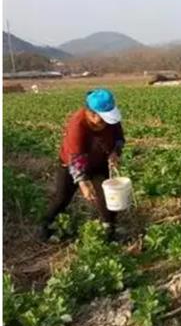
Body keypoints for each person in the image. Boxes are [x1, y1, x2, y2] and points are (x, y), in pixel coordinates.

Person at [38, 88, 125, 242]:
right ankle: (44, 227)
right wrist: (83, 184)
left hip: (99, 162)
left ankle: (109, 230)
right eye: (102, 119)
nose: (106, 123)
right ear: (91, 114)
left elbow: (119, 138)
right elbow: (76, 157)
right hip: (71, 163)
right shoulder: (77, 125)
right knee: (62, 197)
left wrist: (115, 152)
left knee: (106, 195)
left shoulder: (111, 120)